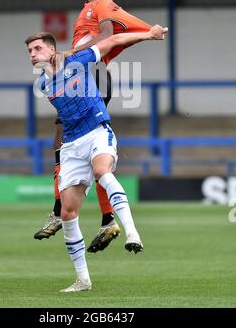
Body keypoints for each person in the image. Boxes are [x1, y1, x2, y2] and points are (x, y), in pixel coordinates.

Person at [26, 25, 167, 292]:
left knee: (102, 170)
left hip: (97, 132)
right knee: (67, 212)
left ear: (52, 49)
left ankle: (132, 232)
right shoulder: (43, 84)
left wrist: (149, 34)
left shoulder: (79, 61)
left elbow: (112, 39)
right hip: (72, 145)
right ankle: (83, 279)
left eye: (37, 48)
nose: (32, 54)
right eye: (30, 51)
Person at [34, 0, 153, 253]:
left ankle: (61, 209)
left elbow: (107, 37)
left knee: (67, 142)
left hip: (91, 76)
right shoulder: (88, 9)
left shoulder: (102, 5)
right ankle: (106, 218)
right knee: (73, 147)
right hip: (80, 76)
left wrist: (71, 52)